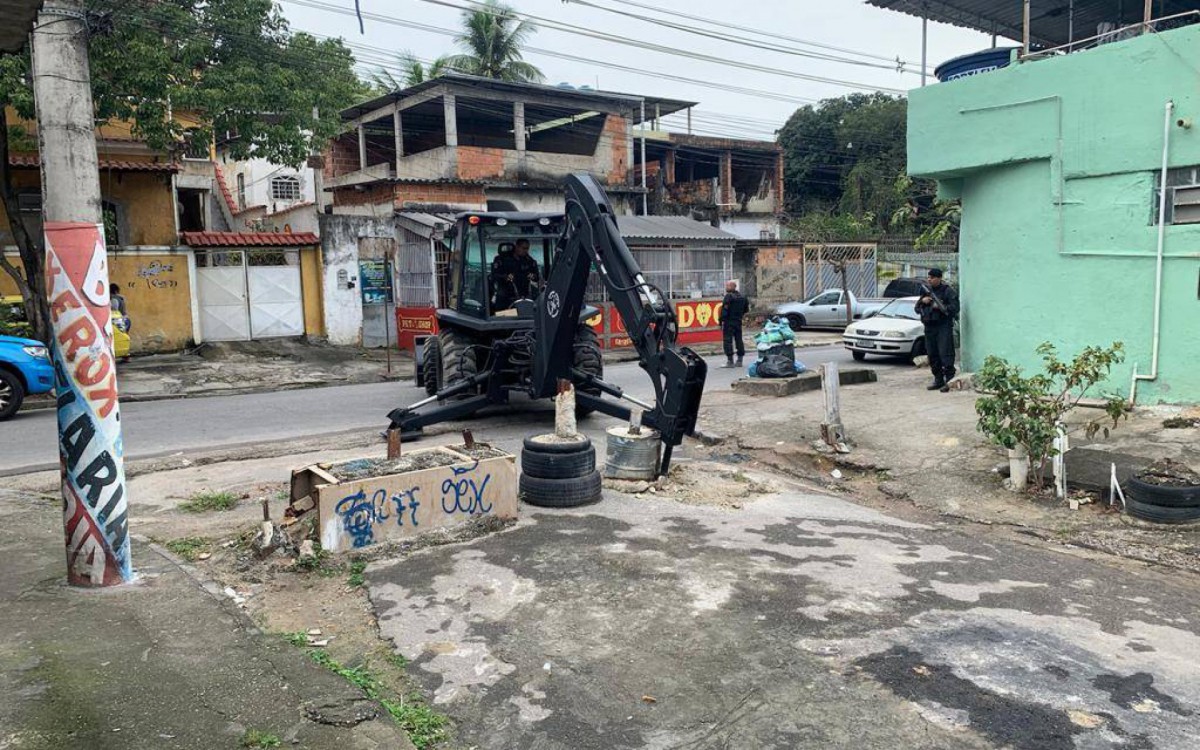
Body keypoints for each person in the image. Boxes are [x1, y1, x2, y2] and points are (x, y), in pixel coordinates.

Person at [915, 268, 960, 392]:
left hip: (943, 326)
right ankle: (938, 380)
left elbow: (955, 308)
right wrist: (923, 301)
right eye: (928, 277)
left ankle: (949, 381)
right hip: (929, 327)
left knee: (946, 354)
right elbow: (917, 308)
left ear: (939, 278)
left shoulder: (948, 291)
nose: (929, 280)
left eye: (932, 277)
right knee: (932, 354)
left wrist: (939, 306)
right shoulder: (926, 292)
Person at [490, 238, 541, 312]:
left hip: (525, 292)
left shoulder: (529, 261)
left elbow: (536, 277)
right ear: (517, 247)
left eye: (527, 248)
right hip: (506, 292)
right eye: (523, 248)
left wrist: (531, 275)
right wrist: (506, 277)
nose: (525, 251)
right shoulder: (502, 260)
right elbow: (495, 275)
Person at [719, 279, 749, 368]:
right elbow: (746, 309)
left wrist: (721, 321)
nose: (726, 287)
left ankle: (730, 361)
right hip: (738, 321)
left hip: (729, 322)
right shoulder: (743, 297)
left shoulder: (728, 297)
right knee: (738, 340)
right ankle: (740, 360)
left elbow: (724, 311)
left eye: (728, 286)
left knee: (727, 341)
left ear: (733, 287)